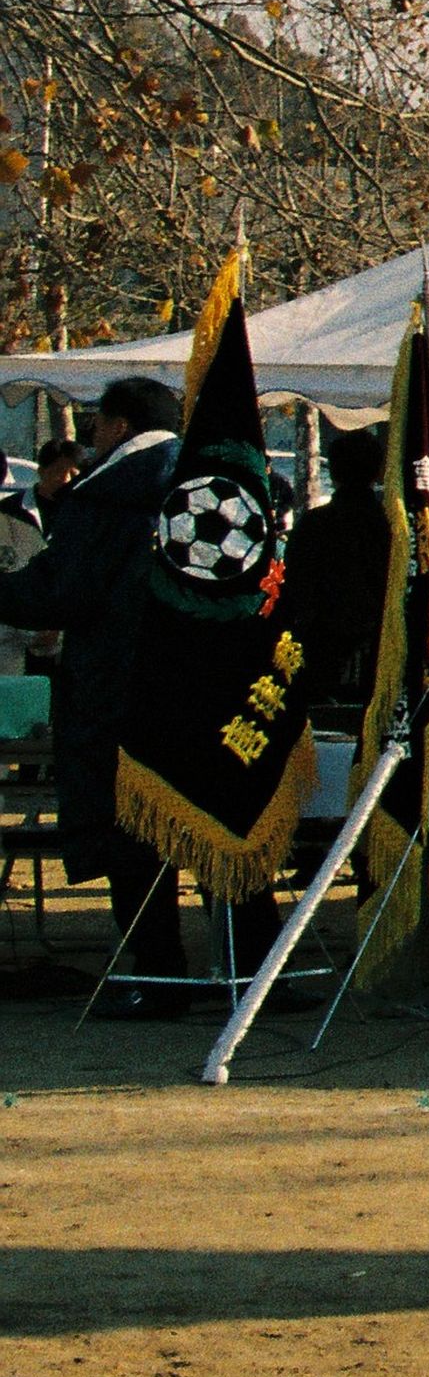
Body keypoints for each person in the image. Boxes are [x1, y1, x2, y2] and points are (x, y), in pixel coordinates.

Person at [0, 380, 196, 1014]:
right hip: (199, 688)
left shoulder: (110, 493)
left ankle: (159, 969)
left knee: (130, 835)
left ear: (117, 425)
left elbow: (64, 592)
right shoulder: (210, 480)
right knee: (215, 827)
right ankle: (253, 962)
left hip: (118, 689)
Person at [278, 425, 392, 727]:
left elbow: (295, 582)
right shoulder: (388, 525)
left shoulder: (316, 523)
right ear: (379, 470)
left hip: (320, 642)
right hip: (377, 642)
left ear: (335, 473)